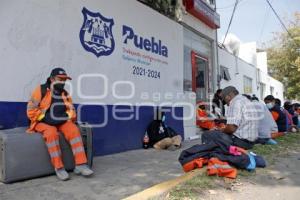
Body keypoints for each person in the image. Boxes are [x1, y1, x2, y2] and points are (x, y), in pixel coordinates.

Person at [27, 68, 93, 181]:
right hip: (42, 122)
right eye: (60, 79)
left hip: (60, 121)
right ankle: (59, 167)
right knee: (51, 133)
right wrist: (45, 118)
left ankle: (81, 164)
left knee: (74, 130)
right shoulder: (40, 90)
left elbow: (72, 110)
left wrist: (67, 117)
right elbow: (31, 110)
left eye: (65, 80)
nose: (63, 82)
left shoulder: (65, 94)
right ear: (52, 79)